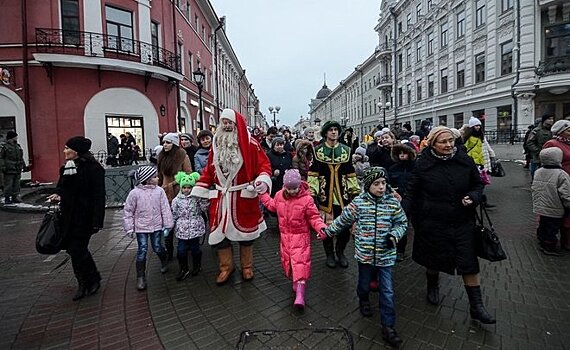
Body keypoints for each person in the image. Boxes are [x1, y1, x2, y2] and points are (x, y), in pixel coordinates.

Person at [402, 126, 496, 324]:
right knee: (433, 259)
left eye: (451, 141)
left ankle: (477, 306)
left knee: (468, 261)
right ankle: (432, 285)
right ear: (433, 143)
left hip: (462, 220)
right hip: (432, 221)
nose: (448, 145)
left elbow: (478, 184)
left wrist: (473, 196)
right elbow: (411, 191)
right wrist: (401, 216)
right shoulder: (423, 164)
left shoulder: (464, 160)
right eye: (443, 142)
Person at [319, 167, 407, 347]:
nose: (381, 187)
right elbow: (342, 220)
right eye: (376, 184)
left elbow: (402, 222)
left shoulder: (392, 202)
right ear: (367, 185)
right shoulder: (358, 203)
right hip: (365, 254)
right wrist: (327, 232)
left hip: (386, 256)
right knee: (364, 284)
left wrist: (394, 236)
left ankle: (388, 327)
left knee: (388, 291)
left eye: (383, 183)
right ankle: (364, 299)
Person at [191, 109, 272, 285]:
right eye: (224, 122)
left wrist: (262, 181)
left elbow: (264, 166)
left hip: (242, 196)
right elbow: (209, 171)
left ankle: (247, 266)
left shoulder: (251, 144)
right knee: (220, 236)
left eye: (230, 123)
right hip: (220, 197)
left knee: (247, 236)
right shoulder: (216, 144)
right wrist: (200, 187)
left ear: (237, 125)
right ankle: (226, 267)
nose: (227, 126)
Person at [47, 136, 105, 301]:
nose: (64, 151)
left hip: (84, 218)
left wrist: (97, 221)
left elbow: (99, 196)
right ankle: (85, 281)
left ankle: (90, 280)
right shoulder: (66, 167)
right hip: (67, 217)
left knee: (77, 249)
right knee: (74, 251)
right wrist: (57, 195)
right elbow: (62, 187)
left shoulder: (94, 169)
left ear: (77, 151)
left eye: (67, 148)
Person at [259, 169, 327, 310]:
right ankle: (296, 283)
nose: (292, 191)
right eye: (289, 188)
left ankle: (300, 295)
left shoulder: (307, 200)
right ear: (285, 186)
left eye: (295, 188)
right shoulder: (279, 196)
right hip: (285, 238)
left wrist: (321, 228)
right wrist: (263, 195)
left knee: (300, 263)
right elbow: (272, 205)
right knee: (290, 263)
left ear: (299, 185)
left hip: (301, 238)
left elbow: (314, 217)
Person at [308, 121, 360, 268]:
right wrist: (312, 194)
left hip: (343, 197)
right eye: (330, 130)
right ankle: (329, 254)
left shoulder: (346, 150)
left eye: (336, 130)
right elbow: (313, 174)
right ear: (325, 133)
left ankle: (341, 252)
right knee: (327, 227)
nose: (333, 132)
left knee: (344, 228)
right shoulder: (317, 150)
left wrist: (355, 192)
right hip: (325, 197)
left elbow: (350, 173)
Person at [123, 166, 173, 290]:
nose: (158, 179)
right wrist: (129, 228)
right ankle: (140, 276)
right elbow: (128, 211)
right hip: (141, 227)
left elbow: (165, 208)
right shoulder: (134, 193)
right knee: (142, 250)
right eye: (155, 177)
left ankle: (164, 259)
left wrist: (168, 224)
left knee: (157, 246)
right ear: (147, 179)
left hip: (156, 225)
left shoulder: (159, 191)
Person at [157, 132, 193, 260]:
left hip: (178, 192)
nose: (165, 145)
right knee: (167, 223)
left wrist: (173, 184)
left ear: (174, 144)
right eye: (164, 142)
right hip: (164, 193)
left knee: (181, 221)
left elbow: (188, 174)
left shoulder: (182, 156)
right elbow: (160, 175)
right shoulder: (161, 156)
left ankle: (185, 247)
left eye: (168, 142)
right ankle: (169, 251)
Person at [531, 147, 570, 256]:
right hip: (555, 207)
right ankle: (549, 246)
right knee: (552, 228)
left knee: (543, 224)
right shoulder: (561, 174)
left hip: (540, 205)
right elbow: (565, 193)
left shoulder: (538, 171)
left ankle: (541, 240)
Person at [171, 171, 208, 280]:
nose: (186, 189)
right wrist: (170, 225)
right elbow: (174, 213)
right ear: (181, 188)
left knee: (195, 249)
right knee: (181, 250)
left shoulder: (196, 198)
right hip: (182, 229)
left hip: (194, 228)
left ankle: (197, 265)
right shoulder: (176, 200)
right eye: (184, 187)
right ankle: (183, 268)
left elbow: (203, 208)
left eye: (189, 187)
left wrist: (203, 199)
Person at [543, 120, 570, 251]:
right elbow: (547, 161)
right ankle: (548, 238)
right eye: (568, 130)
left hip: (568, 179)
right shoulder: (553, 144)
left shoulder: (568, 143)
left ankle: (566, 239)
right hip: (559, 180)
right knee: (557, 211)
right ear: (560, 132)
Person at [388, 143, 417, 262]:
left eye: (404, 153)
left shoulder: (416, 167)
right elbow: (389, 183)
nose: (402, 156)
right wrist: (392, 191)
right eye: (399, 153)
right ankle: (400, 250)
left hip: (414, 200)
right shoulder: (393, 168)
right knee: (401, 226)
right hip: (399, 200)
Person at [463, 117, 496, 207]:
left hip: (481, 162)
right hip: (472, 163)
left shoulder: (482, 136)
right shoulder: (468, 137)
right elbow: (464, 149)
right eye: (475, 125)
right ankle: (479, 199)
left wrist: (492, 155)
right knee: (477, 182)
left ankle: (480, 199)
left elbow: (487, 146)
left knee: (482, 181)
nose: (477, 127)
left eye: (479, 125)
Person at [0, 131, 29, 204]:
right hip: (9, 169)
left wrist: (24, 166)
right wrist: (3, 167)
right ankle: (7, 198)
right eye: (15, 137)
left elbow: (20, 158)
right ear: (11, 138)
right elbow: (1, 158)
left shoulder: (17, 146)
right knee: (8, 184)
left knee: (16, 184)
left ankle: (14, 197)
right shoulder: (5, 147)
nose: (16, 138)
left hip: (17, 169)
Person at [526, 114, 554, 179]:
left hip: (550, 156)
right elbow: (530, 142)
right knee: (537, 173)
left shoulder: (553, 130)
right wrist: (538, 151)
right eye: (549, 119)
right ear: (544, 120)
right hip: (538, 156)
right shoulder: (537, 130)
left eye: (552, 119)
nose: (551, 121)